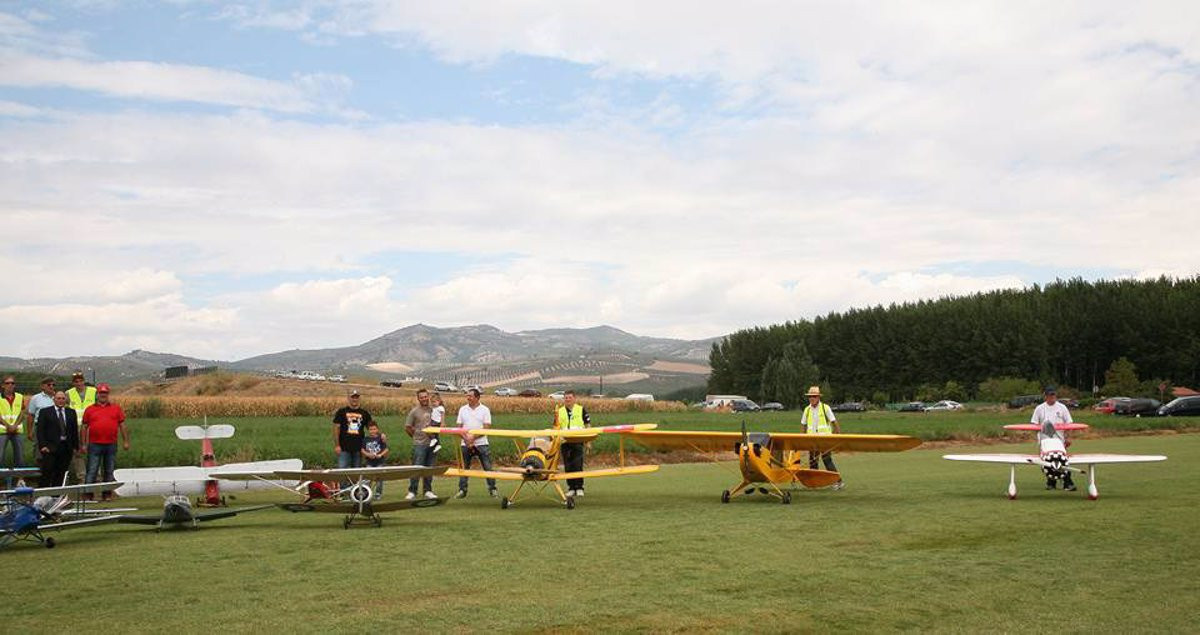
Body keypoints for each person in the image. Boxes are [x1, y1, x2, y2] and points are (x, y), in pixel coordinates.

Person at [81, 384, 130, 501]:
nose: (103, 395)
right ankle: (88, 494)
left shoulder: (116, 408)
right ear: (97, 395)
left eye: (105, 393)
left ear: (108, 395)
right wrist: (83, 444)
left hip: (111, 444)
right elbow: (84, 427)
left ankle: (107, 494)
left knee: (109, 470)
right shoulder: (90, 409)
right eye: (101, 393)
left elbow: (122, 425)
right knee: (92, 470)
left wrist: (126, 441)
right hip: (94, 444)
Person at [1031, 385, 1076, 491]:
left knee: (1062, 461)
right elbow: (1034, 424)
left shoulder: (1062, 408)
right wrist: (1039, 437)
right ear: (1045, 396)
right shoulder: (1039, 408)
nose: (1052, 397)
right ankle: (1051, 482)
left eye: (1053, 395)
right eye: (1050, 395)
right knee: (1048, 462)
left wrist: (1068, 437)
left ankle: (1067, 483)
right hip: (1045, 441)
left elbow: (1069, 423)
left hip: (1059, 441)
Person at [455, 388, 497, 498]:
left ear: (477, 397)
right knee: (464, 468)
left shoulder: (485, 410)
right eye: (467, 396)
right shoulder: (462, 409)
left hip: (482, 443)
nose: (468, 398)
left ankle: (492, 489)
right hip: (465, 444)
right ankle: (462, 490)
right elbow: (458, 427)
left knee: (487, 467)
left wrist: (473, 437)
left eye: (470, 396)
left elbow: (486, 427)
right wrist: (466, 439)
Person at [801, 385, 844, 490]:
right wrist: (802, 440)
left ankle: (838, 481)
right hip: (811, 440)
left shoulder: (825, 408)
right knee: (812, 461)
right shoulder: (807, 410)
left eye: (814, 396)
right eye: (810, 396)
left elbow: (834, 423)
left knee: (827, 460)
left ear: (818, 397)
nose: (812, 398)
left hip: (825, 440)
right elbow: (803, 425)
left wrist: (837, 437)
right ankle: (814, 483)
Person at [551, 390, 590, 497]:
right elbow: (555, 426)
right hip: (565, 441)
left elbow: (587, 425)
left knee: (577, 465)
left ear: (574, 398)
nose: (568, 399)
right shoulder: (559, 411)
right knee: (568, 466)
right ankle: (571, 488)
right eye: (566, 398)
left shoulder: (581, 409)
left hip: (578, 440)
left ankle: (579, 487)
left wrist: (588, 441)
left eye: (570, 397)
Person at [36, 392, 80, 488]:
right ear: (54, 399)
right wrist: (43, 446)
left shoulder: (71, 412)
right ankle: (43, 493)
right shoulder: (45, 412)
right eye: (58, 398)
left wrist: (75, 447)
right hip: (50, 448)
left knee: (61, 473)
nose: (61, 400)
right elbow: (40, 430)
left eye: (63, 398)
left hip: (66, 447)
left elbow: (74, 431)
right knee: (47, 472)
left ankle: (56, 494)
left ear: (66, 400)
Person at [403, 389, 438, 500]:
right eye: (421, 397)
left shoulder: (434, 410)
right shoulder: (414, 411)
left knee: (429, 468)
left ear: (428, 397)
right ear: (418, 399)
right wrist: (416, 437)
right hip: (419, 444)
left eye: (425, 396)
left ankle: (428, 490)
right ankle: (412, 491)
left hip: (432, 444)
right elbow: (408, 427)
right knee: (417, 468)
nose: (424, 399)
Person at [66, 371, 96, 483]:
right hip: (76, 427)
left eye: (80, 381)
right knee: (78, 453)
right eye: (76, 381)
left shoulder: (93, 391)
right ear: (73, 383)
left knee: (94, 452)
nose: (79, 383)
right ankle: (82, 478)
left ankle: (95, 477)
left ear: (84, 381)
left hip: (91, 426)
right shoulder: (68, 393)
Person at [332, 390, 372, 469]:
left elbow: (372, 429)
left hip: (359, 448)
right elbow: (336, 429)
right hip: (344, 448)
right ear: (348, 398)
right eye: (352, 397)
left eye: (356, 397)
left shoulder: (364, 413)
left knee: (356, 472)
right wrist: (337, 445)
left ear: (359, 399)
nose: (354, 399)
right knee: (342, 471)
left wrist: (380, 436)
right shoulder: (341, 412)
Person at [0, 375, 29, 482]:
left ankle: (20, 480)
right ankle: (2, 479)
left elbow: (22, 412)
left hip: (17, 430)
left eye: (12, 383)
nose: (10, 385)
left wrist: (15, 425)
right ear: (3, 385)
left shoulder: (20, 397)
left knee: (20, 457)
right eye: (7, 383)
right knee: (0, 456)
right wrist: (8, 426)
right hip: (2, 431)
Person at [362, 421, 389, 499]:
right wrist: (368, 454)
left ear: (377, 429)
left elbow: (386, 449)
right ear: (368, 430)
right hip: (369, 462)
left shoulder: (380, 438)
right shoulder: (366, 439)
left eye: (374, 429)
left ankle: (378, 493)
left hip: (379, 462)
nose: (372, 431)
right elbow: (362, 449)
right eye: (371, 429)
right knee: (368, 478)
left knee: (379, 478)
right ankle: (366, 493)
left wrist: (380, 455)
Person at [27, 377, 57, 443]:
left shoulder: (58, 398)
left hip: (55, 427)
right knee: (39, 447)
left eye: (53, 385)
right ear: (42, 386)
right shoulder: (35, 398)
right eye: (49, 385)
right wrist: (29, 431)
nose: (51, 386)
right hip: (40, 427)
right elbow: (31, 415)